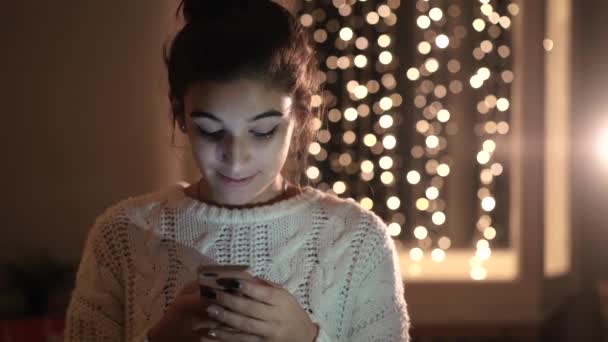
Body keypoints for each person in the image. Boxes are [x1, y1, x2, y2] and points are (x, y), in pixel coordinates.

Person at [63, 1, 411, 341]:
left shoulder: (358, 240)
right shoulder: (121, 235)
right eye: (211, 131)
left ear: (300, 117)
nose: (235, 159)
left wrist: (306, 338)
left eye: (262, 132)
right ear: (180, 115)